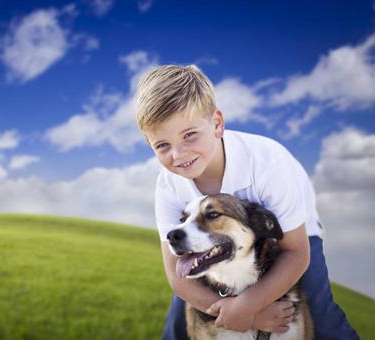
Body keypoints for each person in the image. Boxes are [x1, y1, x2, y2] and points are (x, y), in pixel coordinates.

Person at [135, 64, 359, 340]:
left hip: (292, 234)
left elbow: (296, 253)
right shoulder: (169, 184)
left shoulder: (268, 164)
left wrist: (249, 304)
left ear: (217, 123)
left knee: (321, 313)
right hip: (207, 243)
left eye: (189, 135)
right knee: (177, 324)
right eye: (162, 145)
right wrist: (244, 314)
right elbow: (176, 275)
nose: (179, 154)